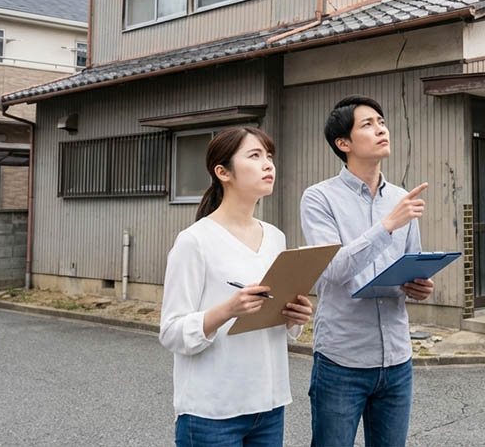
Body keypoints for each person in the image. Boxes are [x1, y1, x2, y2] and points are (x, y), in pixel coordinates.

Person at [159, 127, 314, 447]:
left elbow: (275, 321)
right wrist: (227, 309)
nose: (268, 164)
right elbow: (171, 331)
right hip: (211, 411)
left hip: (269, 405)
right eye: (255, 156)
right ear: (223, 172)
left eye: (269, 156)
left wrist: (293, 316)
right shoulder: (194, 241)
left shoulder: (275, 237)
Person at [300, 95, 433, 447]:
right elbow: (333, 270)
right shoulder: (319, 199)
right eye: (368, 124)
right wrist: (387, 224)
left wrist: (418, 285)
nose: (381, 129)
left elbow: (411, 263)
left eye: (381, 121)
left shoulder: (401, 198)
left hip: (397, 358)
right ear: (343, 144)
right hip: (342, 359)